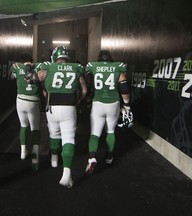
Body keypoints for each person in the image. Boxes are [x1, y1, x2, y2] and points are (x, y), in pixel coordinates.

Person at [36, 46, 87, 188]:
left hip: (52, 107)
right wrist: (77, 101)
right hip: (69, 106)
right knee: (68, 138)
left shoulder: (48, 67)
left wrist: (44, 88)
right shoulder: (76, 67)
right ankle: (66, 174)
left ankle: (54, 159)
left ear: (54, 56)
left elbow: (33, 78)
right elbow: (84, 90)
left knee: (54, 133)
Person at [85, 50, 132, 175]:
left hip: (98, 103)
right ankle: (109, 157)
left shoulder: (92, 66)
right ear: (110, 58)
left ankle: (92, 157)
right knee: (110, 131)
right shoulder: (117, 66)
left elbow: (88, 82)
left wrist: (88, 99)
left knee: (95, 133)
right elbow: (124, 88)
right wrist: (127, 105)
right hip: (113, 103)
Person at [9, 53, 41, 171]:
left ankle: (23, 151)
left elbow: (12, 76)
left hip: (20, 100)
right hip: (33, 100)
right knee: (35, 128)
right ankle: (35, 156)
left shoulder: (17, 67)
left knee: (23, 126)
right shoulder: (38, 66)